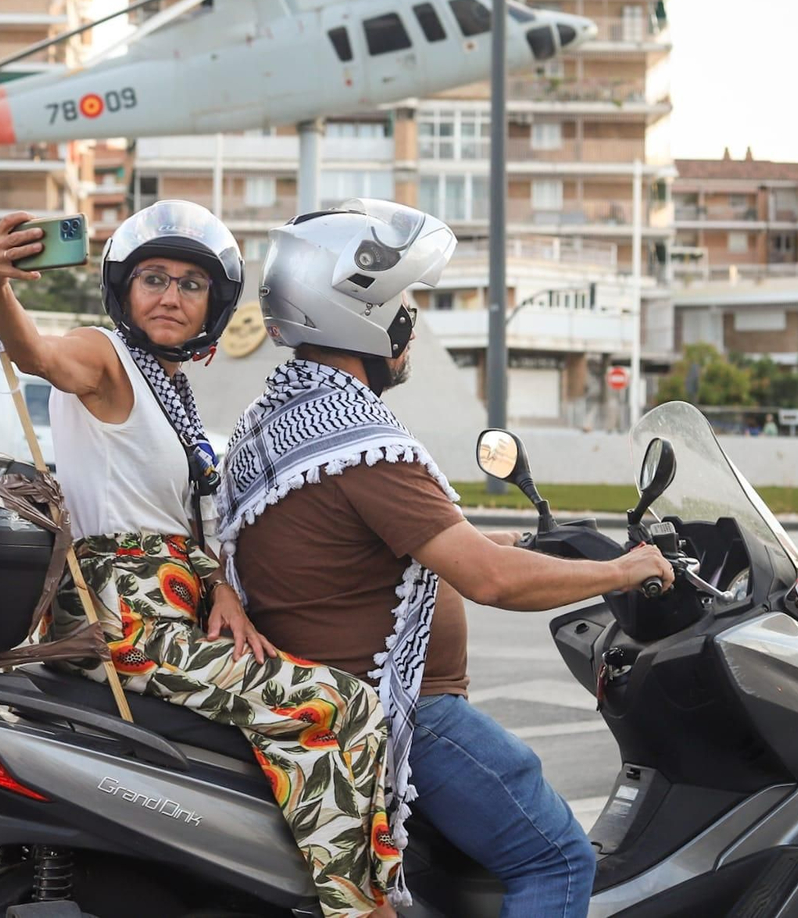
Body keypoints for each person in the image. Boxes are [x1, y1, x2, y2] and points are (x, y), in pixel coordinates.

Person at [219, 199, 674, 918]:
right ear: (362, 314)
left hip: (332, 697)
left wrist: (527, 541)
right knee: (554, 857)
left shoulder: (283, 415)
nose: (411, 322)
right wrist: (625, 570)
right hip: (407, 713)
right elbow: (487, 580)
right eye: (404, 304)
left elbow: (407, 547)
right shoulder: (358, 443)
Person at [0, 200, 406, 918]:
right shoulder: (104, 355)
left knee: (350, 701)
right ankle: (353, 908)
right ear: (126, 290)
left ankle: (350, 886)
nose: (170, 296)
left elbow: (181, 520)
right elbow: (40, 357)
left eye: (189, 284)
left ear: (211, 303)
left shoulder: (166, 385)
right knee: (326, 703)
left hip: (175, 610)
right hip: (125, 624)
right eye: (153, 279)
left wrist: (222, 589)